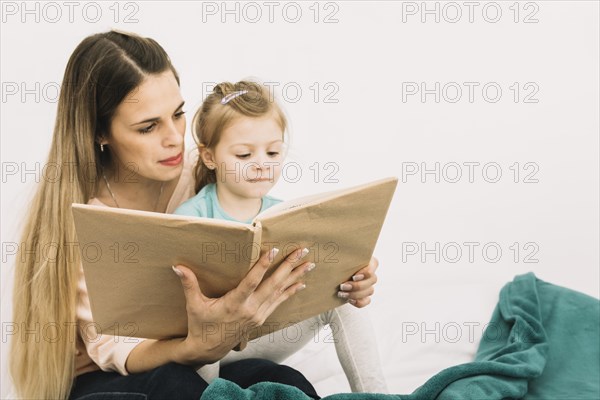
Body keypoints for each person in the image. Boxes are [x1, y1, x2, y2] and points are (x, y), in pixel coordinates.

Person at [9, 30, 380, 400]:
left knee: (280, 382)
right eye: (149, 126)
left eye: (178, 113)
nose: (174, 137)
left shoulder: (201, 171)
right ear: (100, 133)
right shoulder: (84, 219)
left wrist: (342, 272)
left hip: (212, 350)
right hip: (115, 377)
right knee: (174, 384)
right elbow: (116, 351)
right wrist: (199, 345)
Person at [173, 81, 388, 393]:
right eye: (244, 154)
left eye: (273, 151)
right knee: (208, 328)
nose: (262, 163)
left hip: (257, 337)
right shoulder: (190, 215)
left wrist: (353, 270)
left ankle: (376, 395)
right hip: (205, 347)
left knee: (338, 301)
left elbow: (321, 270)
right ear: (209, 157)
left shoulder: (286, 215)